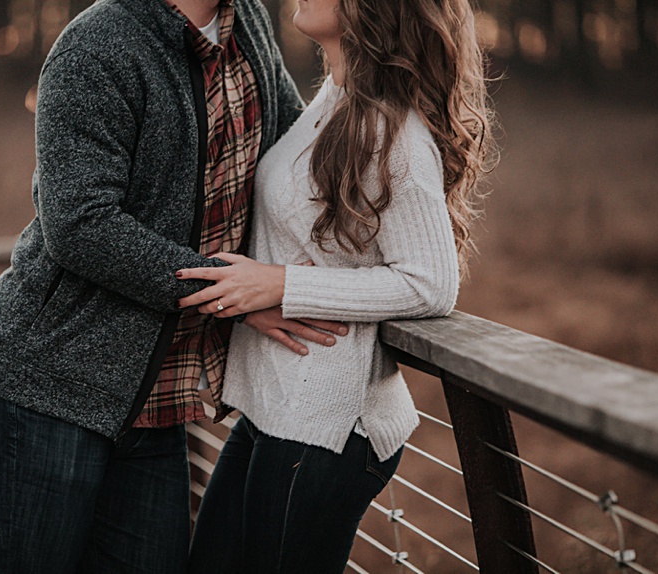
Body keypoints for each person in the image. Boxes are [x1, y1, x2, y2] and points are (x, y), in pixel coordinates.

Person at [0, 0, 348, 572]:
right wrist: (233, 296)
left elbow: (295, 157)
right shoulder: (98, 44)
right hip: (48, 391)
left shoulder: (252, 24)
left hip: (157, 404)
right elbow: (81, 225)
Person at [180, 0, 495, 571]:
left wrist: (280, 285)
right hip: (276, 411)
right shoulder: (334, 100)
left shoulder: (388, 128)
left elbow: (431, 283)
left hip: (325, 425)